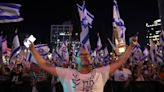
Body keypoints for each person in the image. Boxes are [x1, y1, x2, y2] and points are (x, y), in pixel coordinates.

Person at [28, 37, 137, 92]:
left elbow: (120, 61)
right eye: (81, 55)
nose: (85, 56)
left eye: (87, 54)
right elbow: (44, 65)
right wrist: (32, 49)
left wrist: (131, 46)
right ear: (75, 60)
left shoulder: (100, 73)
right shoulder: (66, 73)